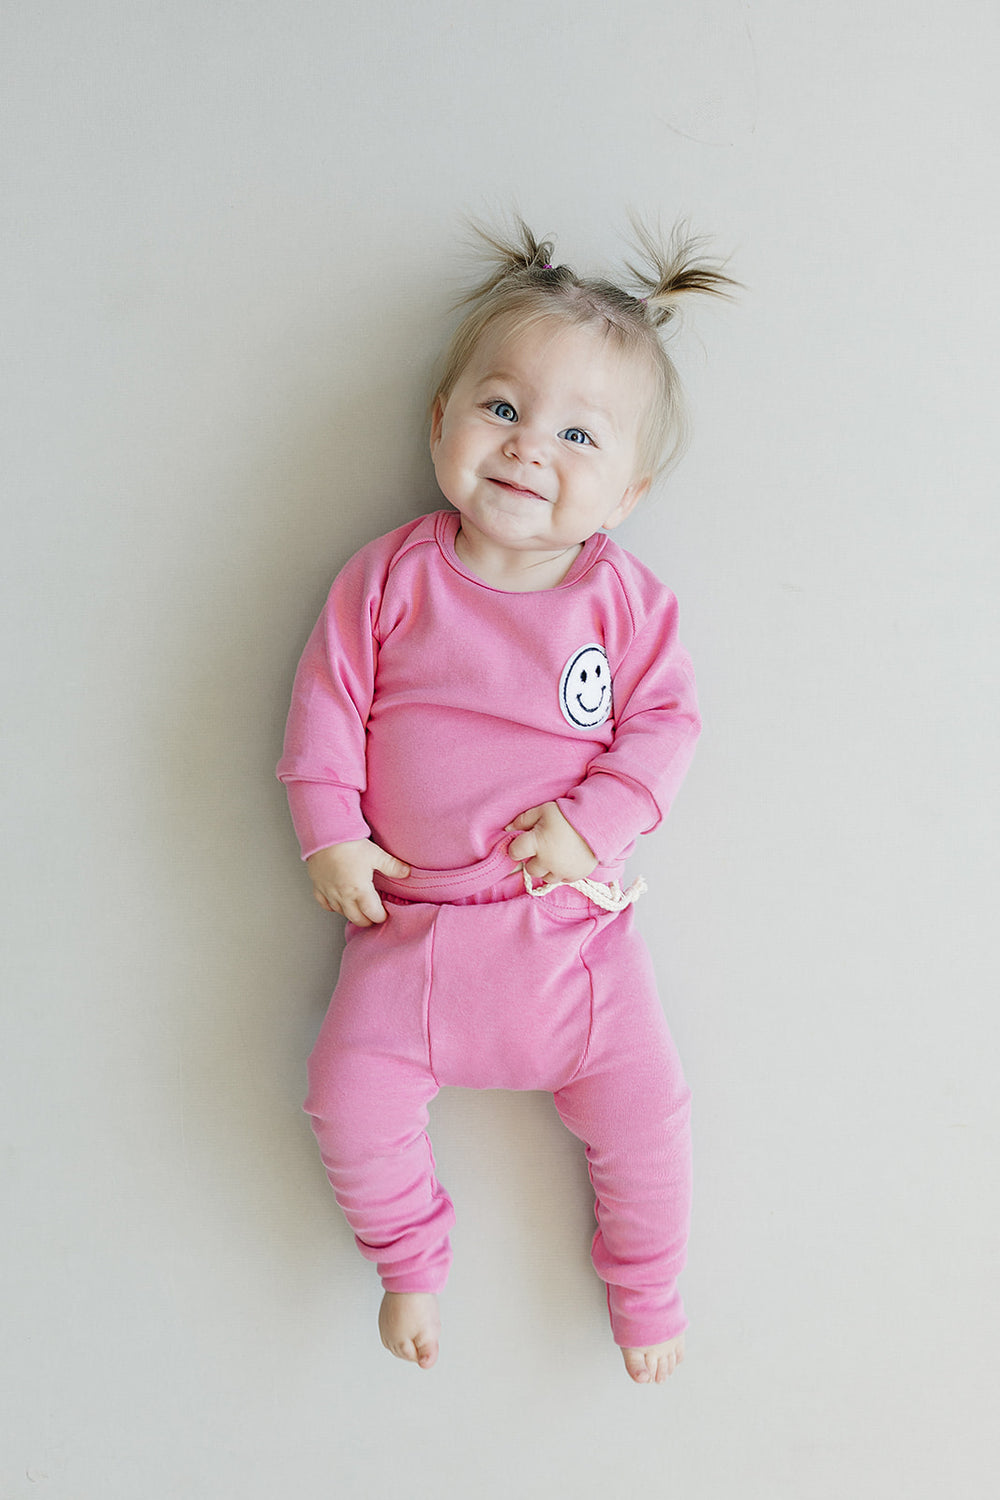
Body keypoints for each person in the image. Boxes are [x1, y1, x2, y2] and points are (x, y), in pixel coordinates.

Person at [277, 219, 736, 1384]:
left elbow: (667, 726)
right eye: (501, 408)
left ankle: (648, 1287)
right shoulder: (390, 577)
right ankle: (407, 1259)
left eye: (578, 434)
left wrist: (596, 820)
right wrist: (330, 833)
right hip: (409, 935)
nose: (530, 447)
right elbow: (325, 709)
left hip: (572, 940)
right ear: (441, 421)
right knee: (343, 1100)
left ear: (626, 491)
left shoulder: (623, 603)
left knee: (650, 1120)